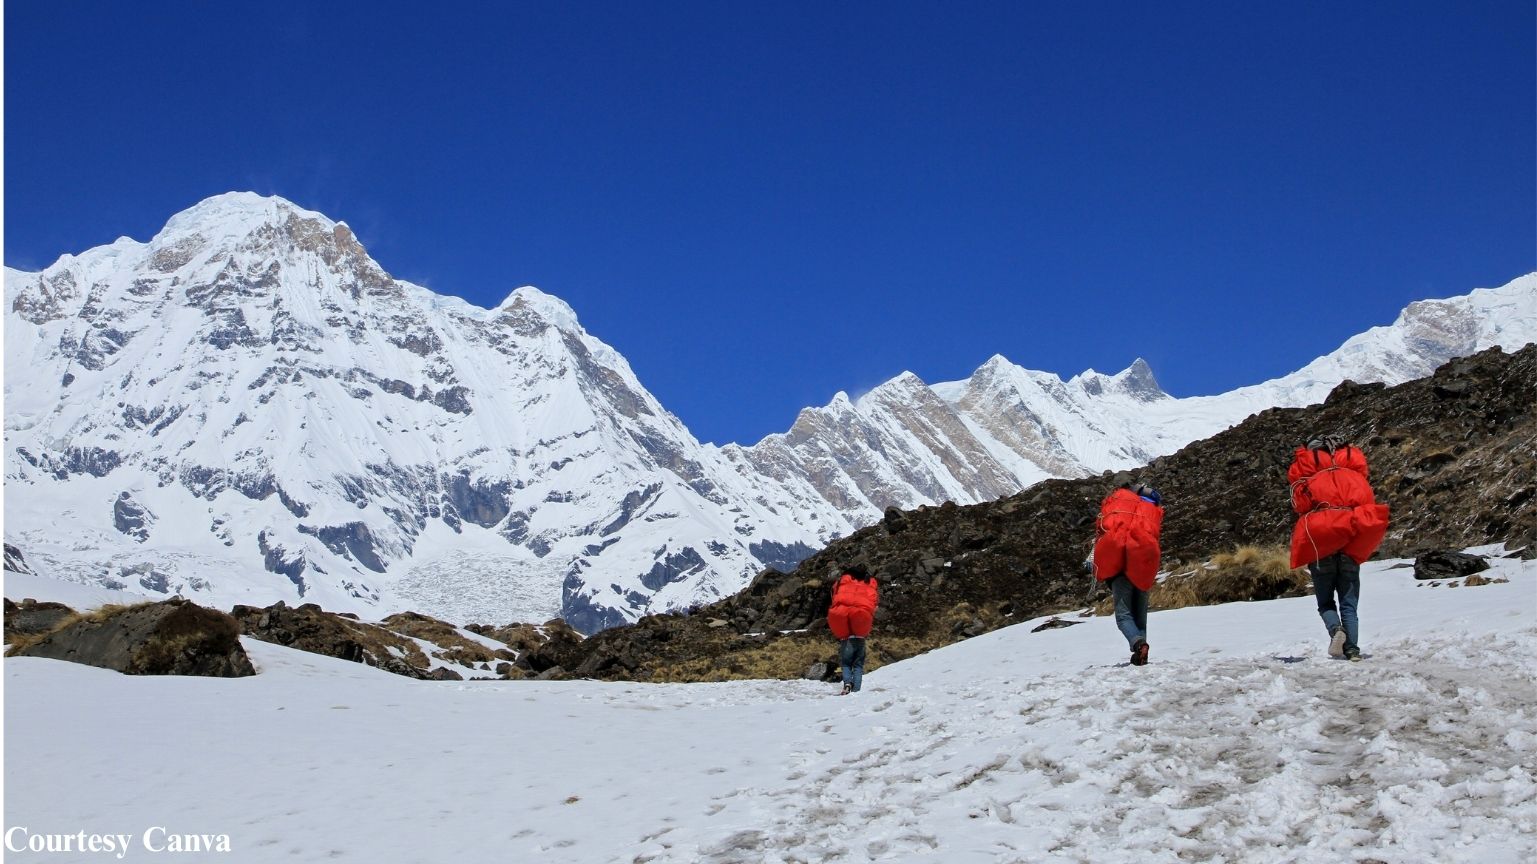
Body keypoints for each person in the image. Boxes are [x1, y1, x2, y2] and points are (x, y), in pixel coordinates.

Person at [1288, 435, 1390, 662]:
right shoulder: (1356, 477)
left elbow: (1300, 505)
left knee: (1325, 602)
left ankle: (1336, 630)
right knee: (1349, 604)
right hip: (1350, 543)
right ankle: (1353, 651)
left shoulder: (1311, 478)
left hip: (1321, 541)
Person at [1093, 480, 1164, 666]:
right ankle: (1142, 653)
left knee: (1123, 616)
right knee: (1140, 616)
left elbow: (1104, 533)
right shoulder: (1147, 510)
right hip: (1143, 567)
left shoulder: (1118, 508)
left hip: (1120, 570)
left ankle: (1138, 644)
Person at [826, 564, 879, 694]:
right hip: (860, 637)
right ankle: (856, 691)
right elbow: (874, 601)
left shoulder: (843, 581)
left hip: (846, 638)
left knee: (846, 664)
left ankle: (847, 684)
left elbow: (834, 595)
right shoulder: (870, 582)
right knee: (858, 666)